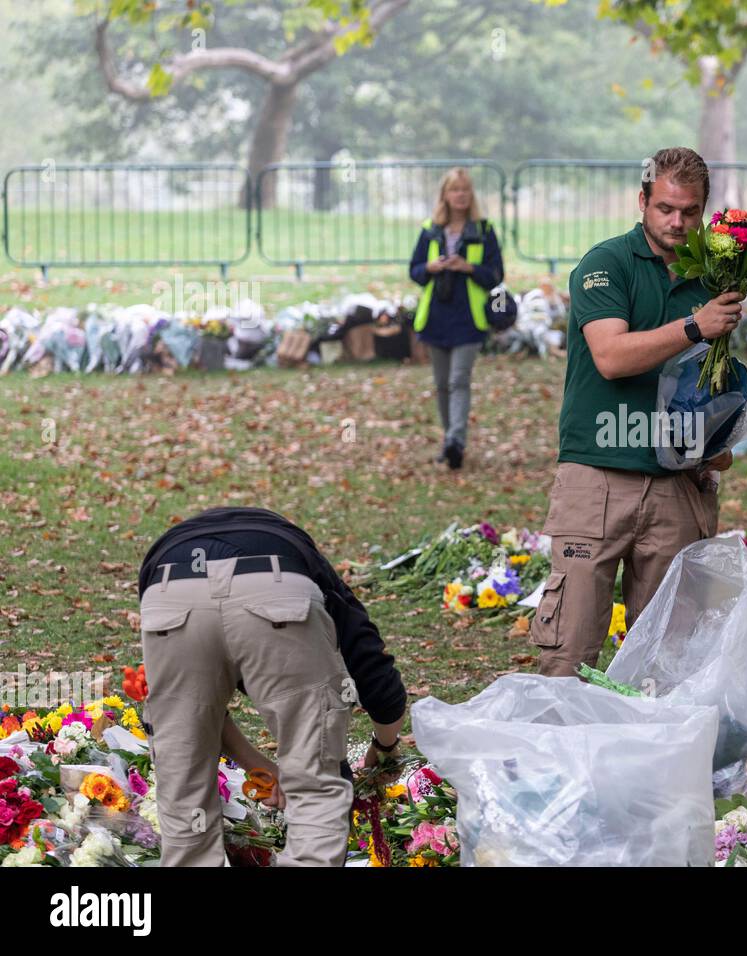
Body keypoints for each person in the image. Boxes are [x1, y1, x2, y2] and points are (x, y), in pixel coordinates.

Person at [529, 146, 741, 678]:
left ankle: (653, 759)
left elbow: (707, 383)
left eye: (689, 212)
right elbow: (610, 357)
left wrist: (714, 443)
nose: (676, 221)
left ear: (704, 212)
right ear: (642, 200)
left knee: (665, 658)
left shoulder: (714, 276)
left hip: (675, 484)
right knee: (569, 648)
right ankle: (563, 754)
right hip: (597, 474)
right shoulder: (607, 264)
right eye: (665, 207)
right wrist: (696, 324)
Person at [135, 506, 407, 866]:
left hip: (167, 588)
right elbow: (370, 662)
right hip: (279, 586)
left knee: (184, 795)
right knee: (315, 786)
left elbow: (193, 716)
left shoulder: (176, 558)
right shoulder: (308, 563)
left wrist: (260, 766)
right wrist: (385, 746)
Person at [409, 168, 505, 470]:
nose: (460, 195)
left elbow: (496, 275)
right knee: (441, 384)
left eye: (465, 190)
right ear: (445, 195)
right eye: (454, 190)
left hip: (469, 319)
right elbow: (414, 271)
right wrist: (431, 268)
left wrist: (468, 268)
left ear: (471, 194)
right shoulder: (430, 230)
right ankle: (449, 441)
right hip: (436, 317)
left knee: (458, 380)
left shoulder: (484, 230)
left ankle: (456, 441)